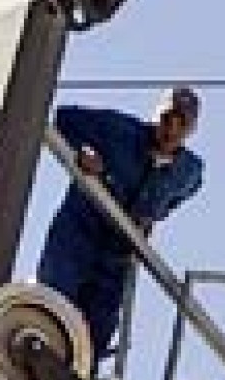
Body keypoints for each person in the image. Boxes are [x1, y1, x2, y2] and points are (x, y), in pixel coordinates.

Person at [37, 87, 204, 365]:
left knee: (96, 330)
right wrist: (83, 153)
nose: (172, 130)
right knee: (55, 302)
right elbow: (64, 118)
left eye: (181, 123)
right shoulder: (118, 131)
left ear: (191, 129)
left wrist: (153, 215)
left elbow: (187, 190)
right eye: (167, 119)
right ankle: (34, 354)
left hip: (117, 255)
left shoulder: (188, 170)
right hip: (79, 233)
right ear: (156, 117)